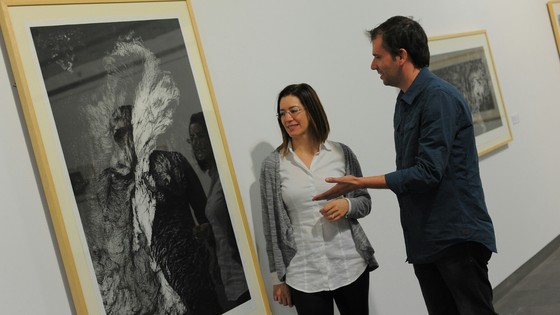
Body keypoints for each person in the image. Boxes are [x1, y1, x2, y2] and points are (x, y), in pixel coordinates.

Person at [312, 16, 498, 315]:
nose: (373, 65)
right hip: (426, 238)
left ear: (401, 56)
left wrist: (360, 182)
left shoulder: (438, 98)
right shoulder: (406, 101)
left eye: (378, 56)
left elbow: (428, 172)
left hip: (455, 236)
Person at [260, 83, 378, 315]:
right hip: (304, 273)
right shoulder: (273, 165)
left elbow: (364, 201)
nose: (287, 119)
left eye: (294, 110)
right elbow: (270, 225)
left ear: (311, 110)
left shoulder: (341, 153)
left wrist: (347, 204)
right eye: (282, 113)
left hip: (349, 264)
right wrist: (277, 278)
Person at [189, 112, 251, 312]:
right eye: (192, 139)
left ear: (211, 136)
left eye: (200, 136)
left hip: (242, 279)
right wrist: (210, 231)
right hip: (230, 281)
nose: (196, 143)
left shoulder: (226, 176)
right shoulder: (214, 178)